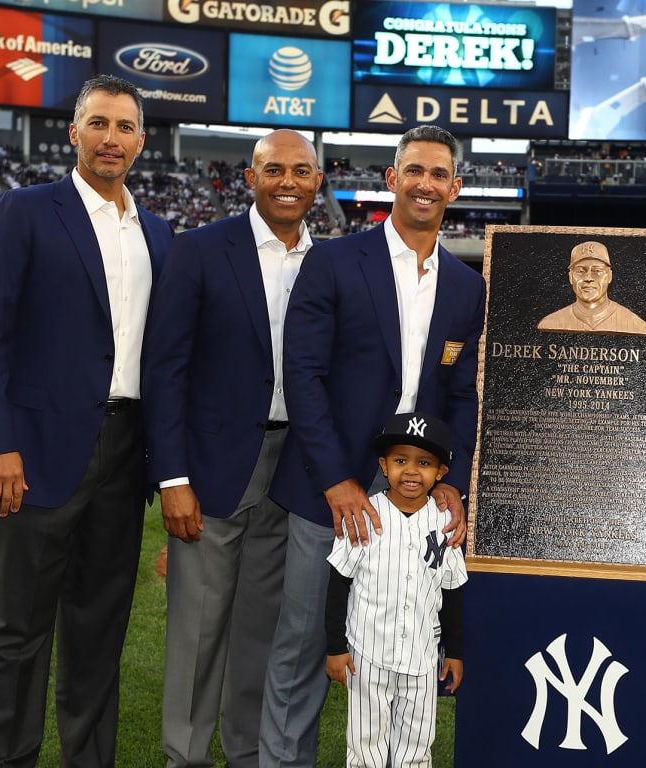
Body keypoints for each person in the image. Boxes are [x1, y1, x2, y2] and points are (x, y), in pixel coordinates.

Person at [0, 74, 174, 768]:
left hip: (124, 453)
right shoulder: (23, 211)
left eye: (126, 127)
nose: (112, 138)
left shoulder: (160, 234)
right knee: (11, 631)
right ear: (74, 132)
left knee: (98, 632)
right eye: (99, 123)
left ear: (142, 141)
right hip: (33, 454)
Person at [262, 125, 485, 767]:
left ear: (455, 187)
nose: (425, 183)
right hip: (327, 492)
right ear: (392, 179)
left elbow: (462, 396)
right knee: (305, 648)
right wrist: (335, 477)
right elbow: (301, 374)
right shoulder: (333, 261)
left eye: (439, 174)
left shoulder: (467, 287)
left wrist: (454, 480)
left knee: (408, 644)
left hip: (415, 497)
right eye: (414, 169)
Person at [143, 129, 323, 768]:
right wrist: (172, 478)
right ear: (250, 178)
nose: (287, 182)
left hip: (294, 473)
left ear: (317, 183)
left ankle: (247, 753)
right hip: (213, 469)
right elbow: (164, 371)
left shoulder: (330, 260)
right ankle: (185, 758)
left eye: (301, 171)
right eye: (274, 170)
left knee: (262, 633)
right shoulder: (198, 251)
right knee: (197, 630)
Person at [324, 411, 467, 767]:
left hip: (421, 657)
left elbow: (451, 593)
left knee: (417, 748)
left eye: (424, 462)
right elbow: (338, 584)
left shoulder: (445, 523)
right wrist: (335, 648)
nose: (412, 471)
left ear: (441, 473)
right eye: (401, 460)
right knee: (364, 747)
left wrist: (455, 652)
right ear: (384, 466)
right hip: (366, 657)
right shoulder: (365, 514)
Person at [537, 240, 646, 335]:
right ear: (570, 277)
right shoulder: (550, 323)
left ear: (609, 276)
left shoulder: (635, 326)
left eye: (597, 271)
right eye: (580, 271)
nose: (588, 278)